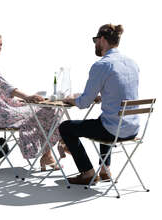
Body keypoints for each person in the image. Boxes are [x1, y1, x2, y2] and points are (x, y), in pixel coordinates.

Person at [59, 24, 139, 185]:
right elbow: (122, 91)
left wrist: (71, 99)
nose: (95, 44)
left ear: (102, 40)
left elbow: (83, 103)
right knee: (104, 118)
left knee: (65, 127)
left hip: (113, 129)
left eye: (96, 40)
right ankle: (105, 169)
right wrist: (103, 96)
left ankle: (88, 173)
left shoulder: (102, 65)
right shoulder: (132, 63)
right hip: (133, 128)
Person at [0, 31, 69, 171]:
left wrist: (27, 100)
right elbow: (5, 86)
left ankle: (49, 153)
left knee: (45, 109)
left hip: (4, 110)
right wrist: (27, 97)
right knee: (50, 109)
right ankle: (57, 146)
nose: (0, 48)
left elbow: (2, 89)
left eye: (1, 45)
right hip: (5, 115)